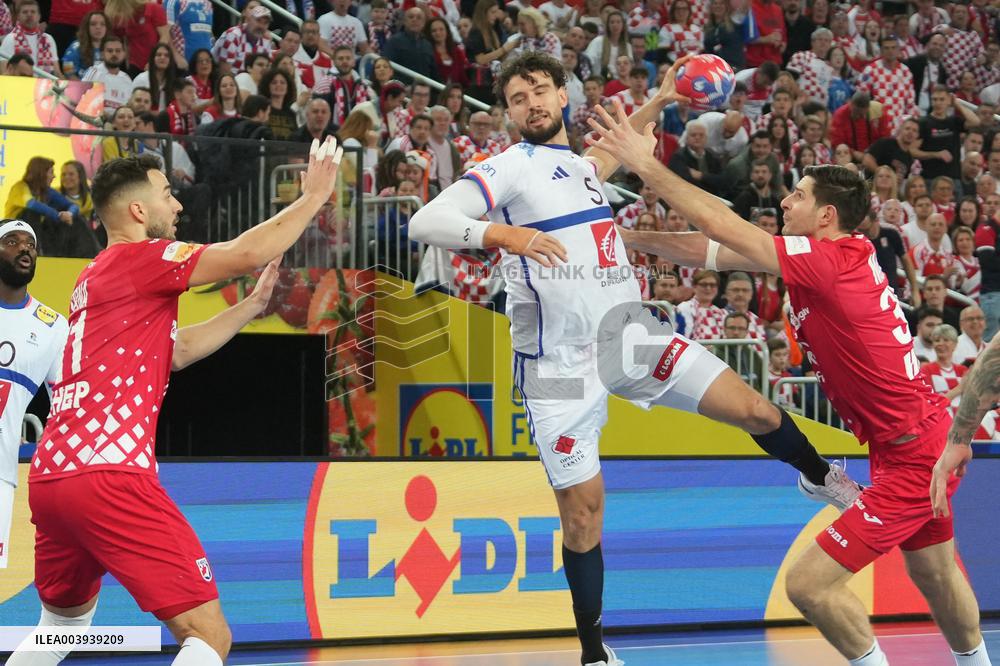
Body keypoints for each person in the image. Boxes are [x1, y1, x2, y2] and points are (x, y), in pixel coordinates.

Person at [408, 52, 859, 666]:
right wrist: (505, 234)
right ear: (509, 112)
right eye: (517, 98)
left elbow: (604, 156)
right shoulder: (509, 166)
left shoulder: (578, 168)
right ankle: (594, 653)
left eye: (540, 90)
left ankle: (819, 475)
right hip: (557, 368)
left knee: (754, 409)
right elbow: (427, 220)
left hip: (630, 338)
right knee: (583, 516)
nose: (532, 103)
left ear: (563, 96)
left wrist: (663, 98)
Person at [588, 98, 989, 666]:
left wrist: (644, 164)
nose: (784, 200)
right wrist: (627, 239)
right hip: (910, 440)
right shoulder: (824, 256)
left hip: (915, 453)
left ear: (827, 215)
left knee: (809, 586)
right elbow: (711, 248)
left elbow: (721, 224)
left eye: (797, 195)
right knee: (935, 572)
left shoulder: (827, 262)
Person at [5, 138, 344, 666]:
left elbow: (177, 350)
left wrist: (249, 308)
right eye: (167, 194)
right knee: (208, 635)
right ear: (139, 211)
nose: (179, 204)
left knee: (61, 629)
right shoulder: (143, 259)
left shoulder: (95, 275)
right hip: (110, 473)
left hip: (53, 477)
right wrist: (314, 198)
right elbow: (245, 253)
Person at [0, 220, 69, 571]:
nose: (24, 248)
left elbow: (67, 405)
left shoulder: (53, 327)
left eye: (30, 243)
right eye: (12, 241)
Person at [3, 157, 100, 259]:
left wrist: (69, 214)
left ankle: (91, 256)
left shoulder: (47, 191)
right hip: (14, 232)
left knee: (77, 219)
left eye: (71, 174)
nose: (54, 176)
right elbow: (32, 204)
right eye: (51, 172)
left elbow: (72, 206)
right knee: (33, 213)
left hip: (39, 234)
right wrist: (58, 215)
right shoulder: (20, 187)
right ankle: (35, 254)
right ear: (41, 174)